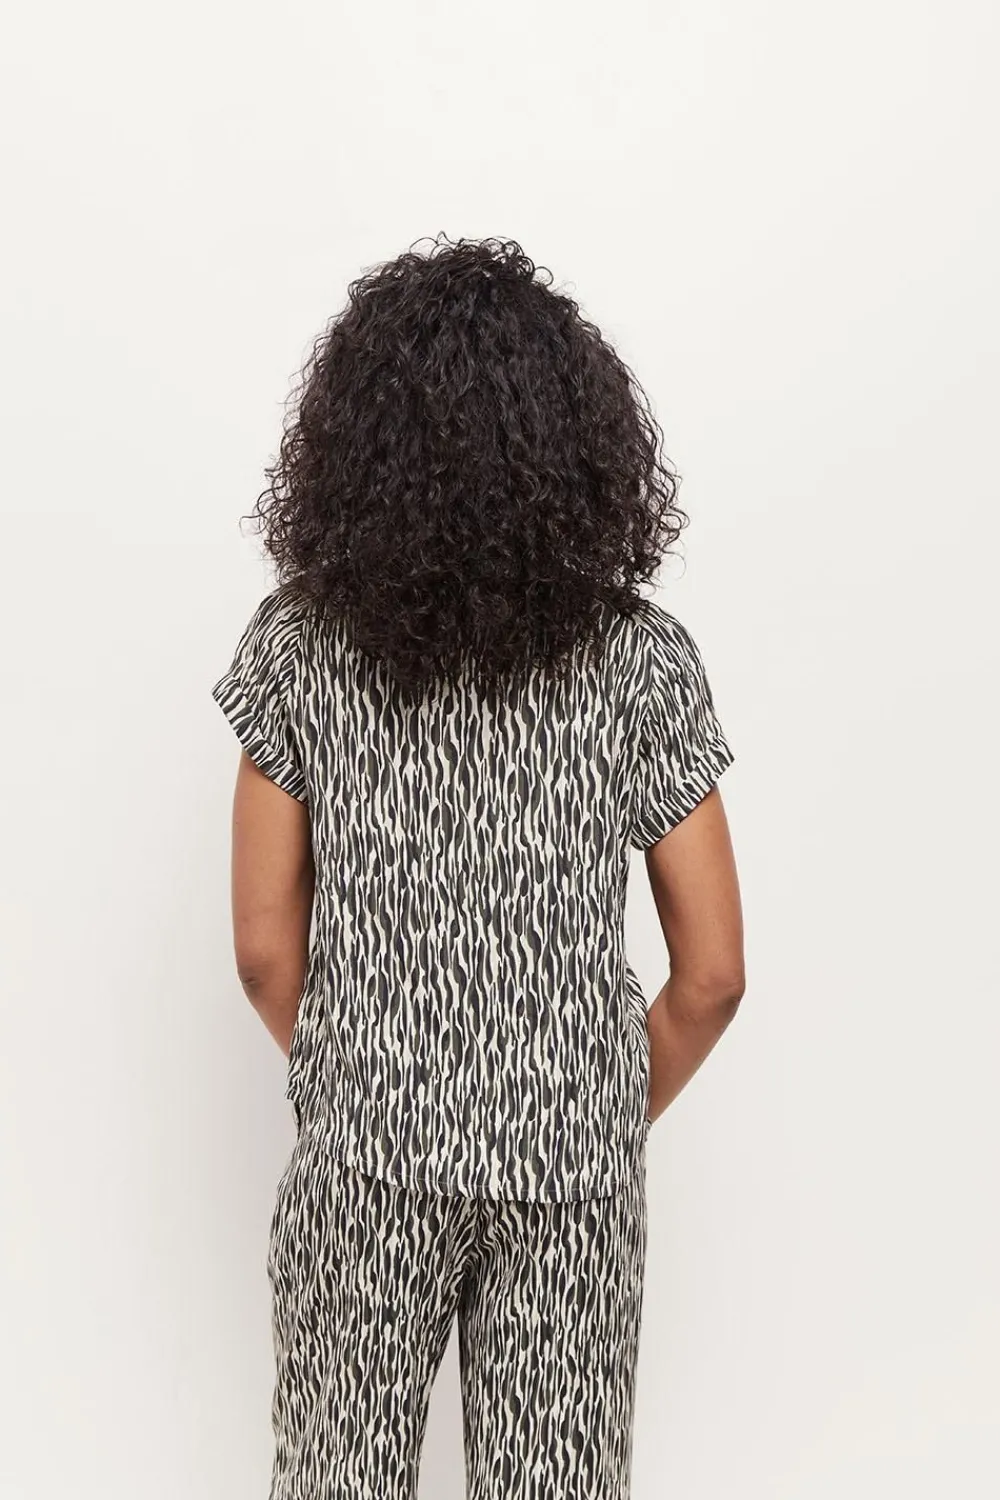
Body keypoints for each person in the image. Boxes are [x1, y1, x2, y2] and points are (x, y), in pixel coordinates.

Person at [210, 234, 745, 1500]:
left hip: (366, 1152)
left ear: (357, 444)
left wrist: (370, 1079)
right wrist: (584, 1105)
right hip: (569, 1164)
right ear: (580, 444)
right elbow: (713, 975)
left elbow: (264, 950)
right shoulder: (643, 663)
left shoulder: (298, 649)